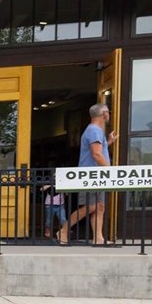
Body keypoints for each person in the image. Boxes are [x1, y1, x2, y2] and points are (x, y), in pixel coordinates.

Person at [61, 102, 119, 245]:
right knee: (90, 207)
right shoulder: (94, 131)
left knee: (99, 206)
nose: (109, 114)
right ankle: (63, 230)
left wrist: (109, 142)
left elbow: (97, 150)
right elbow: (96, 155)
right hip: (90, 175)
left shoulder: (95, 131)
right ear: (104, 114)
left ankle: (98, 238)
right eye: (108, 112)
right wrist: (111, 171)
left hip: (97, 176)